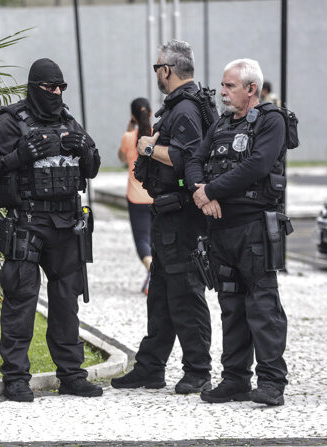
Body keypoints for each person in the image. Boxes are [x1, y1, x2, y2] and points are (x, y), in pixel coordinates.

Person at [0, 58, 102, 402]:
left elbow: (93, 167)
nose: (56, 94)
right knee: (21, 300)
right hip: (28, 223)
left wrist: (85, 150)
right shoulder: (11, 122)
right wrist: (17, 157)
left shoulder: (69, 121)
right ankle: (15, 378)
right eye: (49, 88)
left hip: (66, 225)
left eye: (61, 88)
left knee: (65, 302)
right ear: (33, 88)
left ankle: (72, 374)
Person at [110, 40, 213, 394]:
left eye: (157, 67)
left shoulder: (184, 109)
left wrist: (149, 147)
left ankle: (198, 370)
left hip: (182, 217)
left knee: (185, 293)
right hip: (169, 215)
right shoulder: (184, 105)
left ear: (166, 70)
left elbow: (187, 158)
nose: (156, 73)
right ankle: (150, 368)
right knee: (162, 296)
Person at [187, 59, 289, 406]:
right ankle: (234, 379)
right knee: (231, 307)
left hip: (254, 230)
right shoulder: (219, 125)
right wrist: (201, 193)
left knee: (262, 305)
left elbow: (257, 165)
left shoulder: (271, 120)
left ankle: (272, 382)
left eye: (230, 86)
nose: (223, 92)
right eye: (223, 85)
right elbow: (193, 161)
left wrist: (210, 191)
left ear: (251, 89)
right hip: (221, 231)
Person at [117, 97, 154, 294]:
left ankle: (151, 269)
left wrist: (129, 129)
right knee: (156, 239)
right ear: (151, 113)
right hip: (156, 196)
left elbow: (122, 157)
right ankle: (155, 275)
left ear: (133, 116)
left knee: (142, 239)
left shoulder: (128, 137)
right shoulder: (158, 136)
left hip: (135, 197)